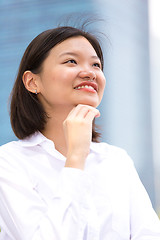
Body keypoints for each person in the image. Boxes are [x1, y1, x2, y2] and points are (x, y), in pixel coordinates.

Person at [0, 25, 160, 240]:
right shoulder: (9, 162)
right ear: (32, 82)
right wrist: (76, 157)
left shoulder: (116, 160)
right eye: (71, 61)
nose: (90, 73)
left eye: (96, 65)